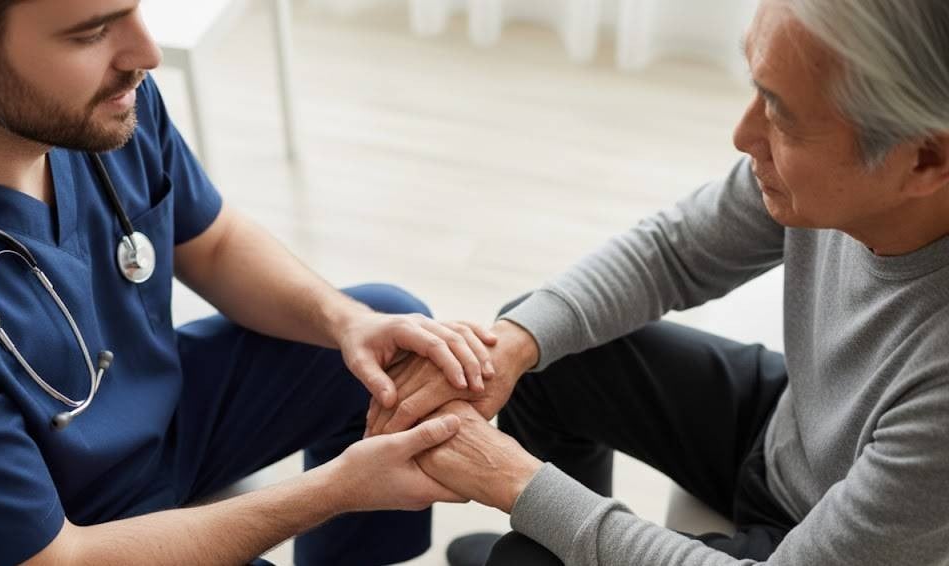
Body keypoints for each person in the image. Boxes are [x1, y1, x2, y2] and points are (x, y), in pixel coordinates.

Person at [367, 0, 949, 564]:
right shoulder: (840, 175)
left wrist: (518, 484)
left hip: (832, 538)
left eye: (780, 114)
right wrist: (510, 345)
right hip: (792, 428)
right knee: (545, 344)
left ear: (924, 160)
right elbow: (671, 252)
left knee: (525, 554)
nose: (744, 135)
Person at [0, 1, 501, 564]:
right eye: (92, 32)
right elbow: (58, 560)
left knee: (390, 341)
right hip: (64, 526)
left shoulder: (101, 105)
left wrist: (348, 321)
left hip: (159, 423)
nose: (145, 53)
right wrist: (339, 488)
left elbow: (216, 242)